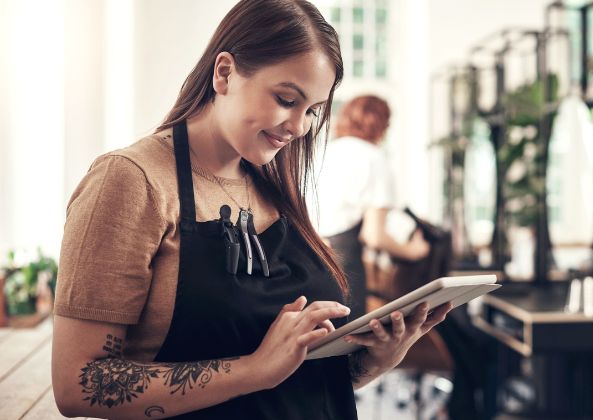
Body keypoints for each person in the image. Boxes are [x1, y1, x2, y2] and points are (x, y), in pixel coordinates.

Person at [50, 1, 452, 419]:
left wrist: (378, 358)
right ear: (224, 72)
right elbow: (78, 383)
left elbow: (298, 376)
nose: (299, 127)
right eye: (286, 99)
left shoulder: (274, 187)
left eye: (312, 110)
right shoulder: (132, 181)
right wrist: (253, 370)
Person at [310, 95, 431, 319]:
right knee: (348, 337)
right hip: (343, 260)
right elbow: (374, 235)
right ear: (381, 125)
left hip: (308, 254)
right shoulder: (373, 157)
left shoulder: (324, 152)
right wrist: (413, 252)